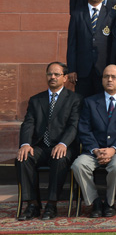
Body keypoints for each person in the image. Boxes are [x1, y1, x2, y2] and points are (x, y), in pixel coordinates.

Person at [71, 65, 116, 218]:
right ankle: (95, 201)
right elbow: (84, 129)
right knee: (78, 165)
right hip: (94, 150)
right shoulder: (90, 102)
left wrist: (113, 149)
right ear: (101, 79)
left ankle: (109, 202)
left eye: (114, 77)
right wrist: (95, 149)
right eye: (106, 76)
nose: (109, 79)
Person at [16, 62, 82, 221]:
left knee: (59, 159)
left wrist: (63, 143)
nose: (52, 77)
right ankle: (33, 204)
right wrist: (25, 144)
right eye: (49, 74)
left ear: (65, 78)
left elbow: (74, 125)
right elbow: (28, 123)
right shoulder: (36, 100)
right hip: (40, 146)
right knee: (23, 158)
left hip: (62, 146)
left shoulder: (75, 99)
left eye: (56, 74)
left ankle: (51, 205)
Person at [67, 0, 116, 97]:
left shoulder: (112, 14)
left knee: (102, 103)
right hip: (82, 69)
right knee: (82, 103)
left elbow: (114, 44)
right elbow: (72, 43)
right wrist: (71, 69)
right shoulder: (77, 14)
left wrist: (112, 68)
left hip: (104, 69)